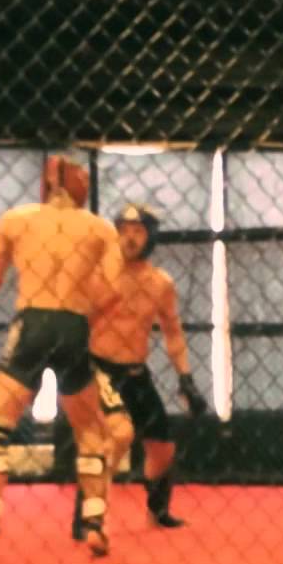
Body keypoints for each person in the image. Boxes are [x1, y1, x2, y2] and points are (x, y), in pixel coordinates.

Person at [0, 156, 121, 557]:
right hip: (74, 324)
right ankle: (94, 522)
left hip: (32, 320)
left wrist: (18, 261)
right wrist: (79, 308)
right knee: (89, 430)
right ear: (74, 185)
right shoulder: (99, 228)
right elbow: (114, 290)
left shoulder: (17, 220)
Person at [70, 202, 209, 539]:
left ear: (151, 237)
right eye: (123, 231)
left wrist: (186, 378)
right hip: (99, 367)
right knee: (115, 438)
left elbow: (173, 333)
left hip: (135, 371)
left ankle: (157, 510)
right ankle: (88, 514)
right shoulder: (100, 275)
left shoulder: (160, 283)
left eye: (137, 231)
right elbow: (77, 321)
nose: (129, 238)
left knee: (163, 445)